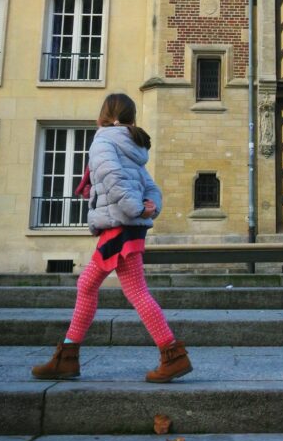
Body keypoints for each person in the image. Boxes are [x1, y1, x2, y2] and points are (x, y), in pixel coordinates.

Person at [31, 93, 192, 384]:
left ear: (104, 115)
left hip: (119, 226)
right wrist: (149, 207)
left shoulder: (104, 141)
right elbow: (150, 186)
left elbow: (113, 180)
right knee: (91, 284)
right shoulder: (131, 145)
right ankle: (67, 356)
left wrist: (137, 209)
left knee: (131, 291)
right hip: (125, 226)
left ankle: (172, 355)